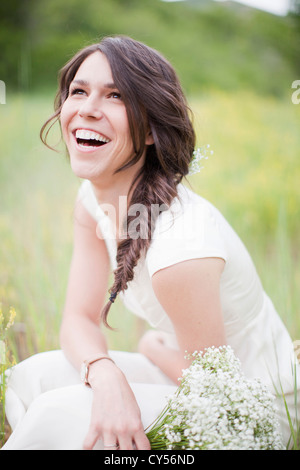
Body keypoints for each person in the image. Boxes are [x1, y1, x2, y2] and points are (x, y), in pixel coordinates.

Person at [2, 36, 299, 450]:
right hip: (190, 376)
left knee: (58, 413)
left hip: (250, 412)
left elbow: (223, 399)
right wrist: (106, 376)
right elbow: (78, 320)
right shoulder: (91, 201)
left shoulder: (180, 248)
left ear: (149, 132)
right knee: (30, 377)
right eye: (79, 91)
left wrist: (153, 355)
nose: (88, 108)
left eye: (116, 96)